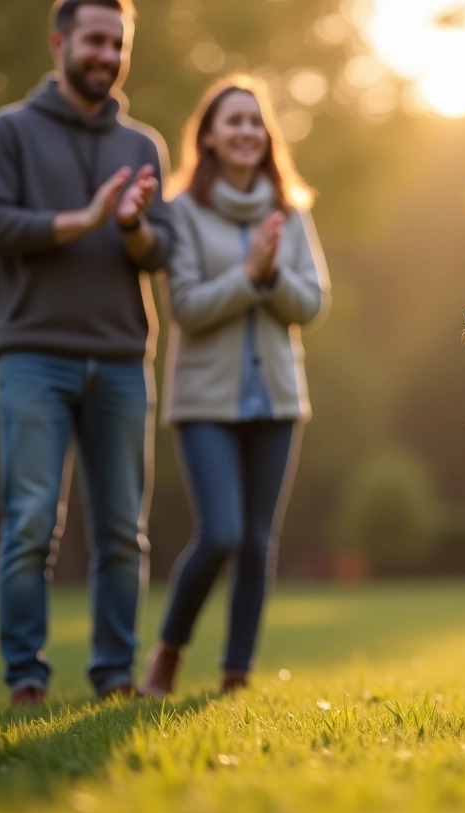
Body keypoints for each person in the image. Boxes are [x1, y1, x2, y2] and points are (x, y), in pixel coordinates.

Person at [0, 0, 173, 706]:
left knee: (122, 532)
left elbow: (161, 251)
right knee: (30, 522)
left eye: (117, 42)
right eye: (94, 39)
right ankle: (25, 676)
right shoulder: (10, 131)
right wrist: (80, 221)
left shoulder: (143, 145)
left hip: (120, 357)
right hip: (33, 355)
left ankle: (115, 676)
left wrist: (130, 225)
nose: (106, 53)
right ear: (60, 42)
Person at [140, 75, 330, 696]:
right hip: (205, 401)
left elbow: (312, 303)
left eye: (255, 120)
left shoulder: (291, 211)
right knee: (220, 532)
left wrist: (270, 277)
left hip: (276, 398)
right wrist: (252, 274)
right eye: (233, 121)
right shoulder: (182, 211)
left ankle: (236, 674)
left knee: (256, 542)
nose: (246, 131)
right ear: (211, 137)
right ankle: (168, 653)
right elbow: (188, 308)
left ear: (265, 136)